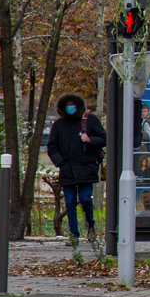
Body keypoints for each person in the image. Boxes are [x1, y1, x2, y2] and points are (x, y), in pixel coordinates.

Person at [46, 93, 107, 247]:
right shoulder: (59, 125)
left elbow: (104, 138)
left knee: (86, 199)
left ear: (79, 106)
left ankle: (90, 228)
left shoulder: (89, 120)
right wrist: (61, 162)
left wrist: (90, 140)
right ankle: (74, 234)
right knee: (70, 202)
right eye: (68, 105)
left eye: (73, 105)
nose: (71, 108)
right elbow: (52, 147)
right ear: (63, 108)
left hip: (86, 168)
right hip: (67, 170)